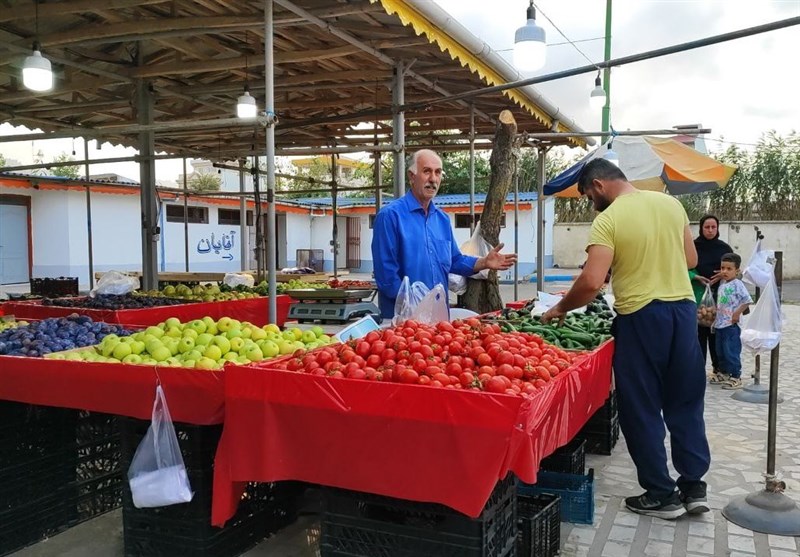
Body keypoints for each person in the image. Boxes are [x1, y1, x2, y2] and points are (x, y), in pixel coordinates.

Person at [541, 158, 710, 520]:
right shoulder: (670, 203)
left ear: (599, 185)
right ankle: (693, 487)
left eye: (588, 195)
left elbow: (590, 282)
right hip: (682, 313)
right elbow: (691, 258)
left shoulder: (609, 218)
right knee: (685, 401)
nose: (591, 203)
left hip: (642, 317)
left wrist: (560, 309)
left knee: (642, 406)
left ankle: (662, 494)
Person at [371, 149, 517, 319]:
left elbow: (454, 260)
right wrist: (415, 308)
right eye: (427, 171)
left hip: (438, 320)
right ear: (412, 176)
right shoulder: (390, 217)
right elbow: (386, 278)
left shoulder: (442, 219)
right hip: (402, 324)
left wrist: (484, 262)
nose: (433, 179)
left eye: (438, 172)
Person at [691, 215, 733, 375]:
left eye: (713, 227)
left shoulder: (724, 248)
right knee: (699, 332)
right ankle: (698, 368)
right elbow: (682, 266)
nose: (710, 230)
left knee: (717, 332)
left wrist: (723, 275)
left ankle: (719, 367)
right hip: (697, 295)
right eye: (706, 227)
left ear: (718, 228)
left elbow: (734, 269)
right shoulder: (693, 247)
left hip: (719, 296)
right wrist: (695, 276)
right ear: (701, 228)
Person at [710, 253, 753, 390]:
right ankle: (724, 373)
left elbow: (747, 301)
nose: (724, 272)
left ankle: (736, 376)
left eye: (729, 269)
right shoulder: (723, 284)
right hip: (720, 324)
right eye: (723, 268)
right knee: (720, 351)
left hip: (731, 325)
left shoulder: (737, 284)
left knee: (731, 351)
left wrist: (737, 313)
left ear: (737, 270)